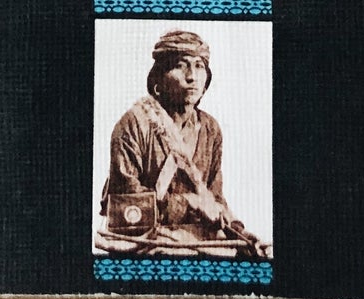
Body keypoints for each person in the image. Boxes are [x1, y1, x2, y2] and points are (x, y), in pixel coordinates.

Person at [100, 30, 265, 254]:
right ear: (158, 80)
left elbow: (214, 199)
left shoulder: (210, 129)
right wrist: (189, 203)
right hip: (144, 240)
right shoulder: (134, 124)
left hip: (197, 240)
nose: (192, 76)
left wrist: (238, 231)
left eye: (199, 66)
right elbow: (125, 207)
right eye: (180, 65)